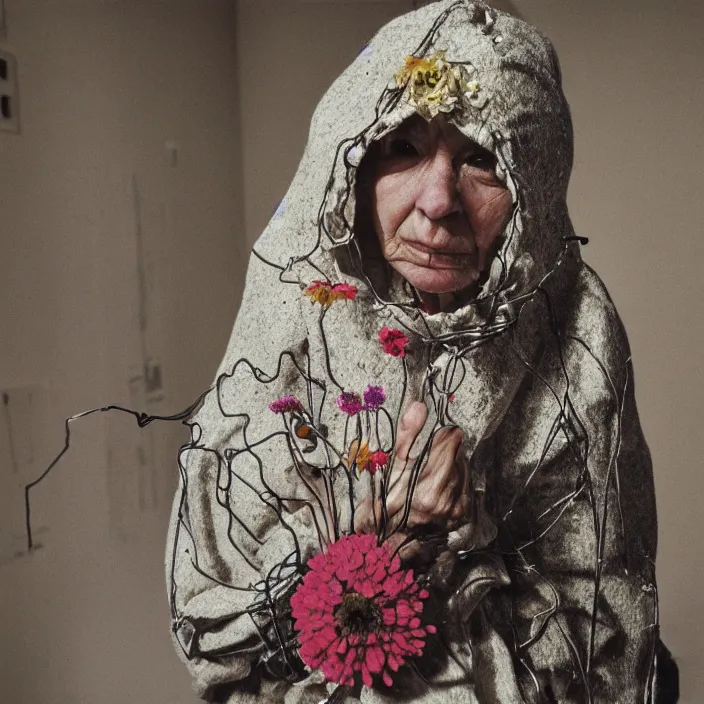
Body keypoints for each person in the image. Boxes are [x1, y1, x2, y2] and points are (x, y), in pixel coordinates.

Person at [166, 2, 678, 702]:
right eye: (403, 149)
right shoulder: (294, 320)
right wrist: (389, 539)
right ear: (353, 164)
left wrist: (471, 551)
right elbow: (212, 622)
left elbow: (613, 625)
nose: (439, 200)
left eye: (483, 160)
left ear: (535, 183)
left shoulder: (573, 328)